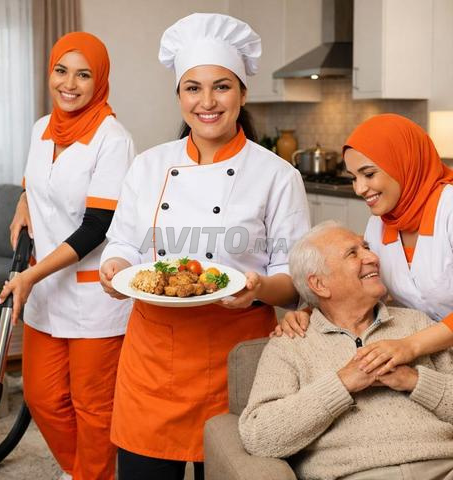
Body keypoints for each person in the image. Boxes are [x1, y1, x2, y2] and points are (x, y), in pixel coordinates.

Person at [98, 13, 310, 480]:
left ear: (242, 94)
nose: (207, 101)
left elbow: (293, 280)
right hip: (152, 355)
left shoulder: (277, 175)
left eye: (222, 87)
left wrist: (258, 289)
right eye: (193, 88)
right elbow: (124, 242)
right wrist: (114, 266)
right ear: (179, 95)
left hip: (237, 356)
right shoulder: (148, 166)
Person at [0, 32, 134, 480]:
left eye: (83, 74)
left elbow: (97, 226)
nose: (69, 84)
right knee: (42, 398)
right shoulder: (42, 127)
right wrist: (23, 201)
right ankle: (84, 472)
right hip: (45, 291)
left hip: (93, 296)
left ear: (100, 81)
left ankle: (90, 475)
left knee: (92, 407)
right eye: (61, 70)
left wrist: (31, 275)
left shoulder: (112, 138)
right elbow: (39, 184)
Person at [239, 222, 453, 480]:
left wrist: (413, 380)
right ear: (319, 284)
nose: (372, 258)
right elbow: (259, 436)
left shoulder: (418, 325)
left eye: (367, 247)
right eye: (353, 253)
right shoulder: (291, 344)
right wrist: (342, 384)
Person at [275, 114, 453, 375]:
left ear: (404, 162)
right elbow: (362, 283)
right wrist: (308, 313)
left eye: (369, 174)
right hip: (436, 360)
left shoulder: (449, 209)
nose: (359, 188)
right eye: (353, 177)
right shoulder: (380, 223)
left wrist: (410, 346)